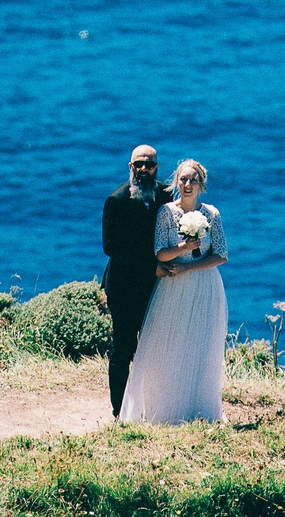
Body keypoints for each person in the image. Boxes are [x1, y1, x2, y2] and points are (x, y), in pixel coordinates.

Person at [117, 157, 228, 423]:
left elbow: (222, 254)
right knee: (168, 346)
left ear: (201, 184)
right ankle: (164, 409)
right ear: (176, 182)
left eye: (193, 180)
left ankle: (199, 408)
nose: (188, 184)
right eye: (183, 179)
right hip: (172, 287)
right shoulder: (166, 212)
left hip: (204, 286)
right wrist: (183, 249)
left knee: (200, 346)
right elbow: (160, 252)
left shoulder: (212, 214)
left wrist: (191, 266)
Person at [100, 143, 171, 415]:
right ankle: (120, 412)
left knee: (155, 347)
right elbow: (111, 247)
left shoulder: (165, 195)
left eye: (149, 165)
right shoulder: (116, 200)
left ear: (156, 168)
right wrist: (150, 267)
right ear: (130, 167)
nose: (143, 169)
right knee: (124, 349)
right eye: (138, 164)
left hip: (157, 287)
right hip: (125, 287)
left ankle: (153, 407)